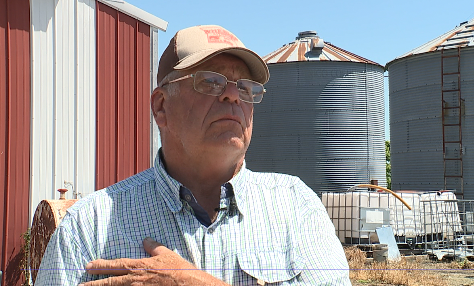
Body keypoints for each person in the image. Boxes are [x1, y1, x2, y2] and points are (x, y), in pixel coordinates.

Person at [35, 25, 351, 285]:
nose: (231, 95)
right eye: (211, 82)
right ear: (161, 107)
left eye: (245, 88)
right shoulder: (89, 227)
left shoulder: (295, 207)